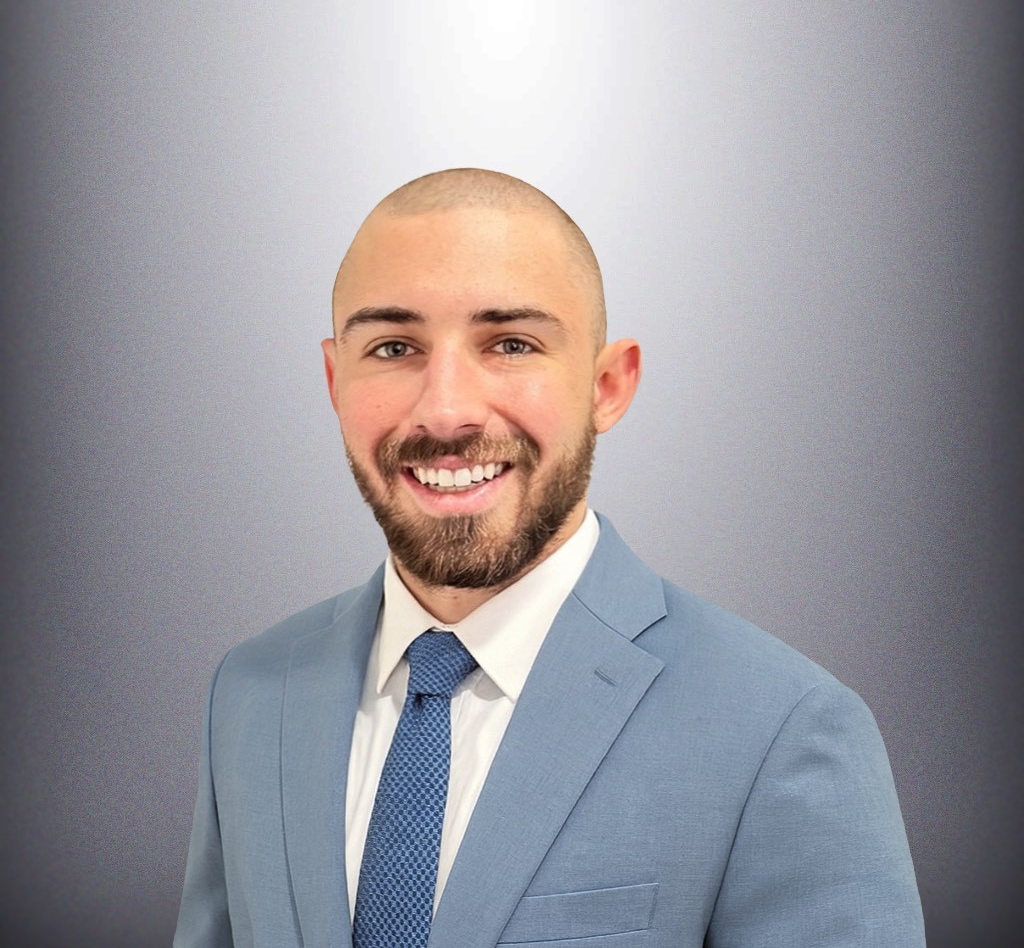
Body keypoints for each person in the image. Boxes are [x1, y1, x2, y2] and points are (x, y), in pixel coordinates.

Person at [174, 168, 925, 947]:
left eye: (511, 344)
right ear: (336, 380)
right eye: (393, 347)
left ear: (608, 385)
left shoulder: (782, 729)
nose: (447, 411)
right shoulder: (251, 694)